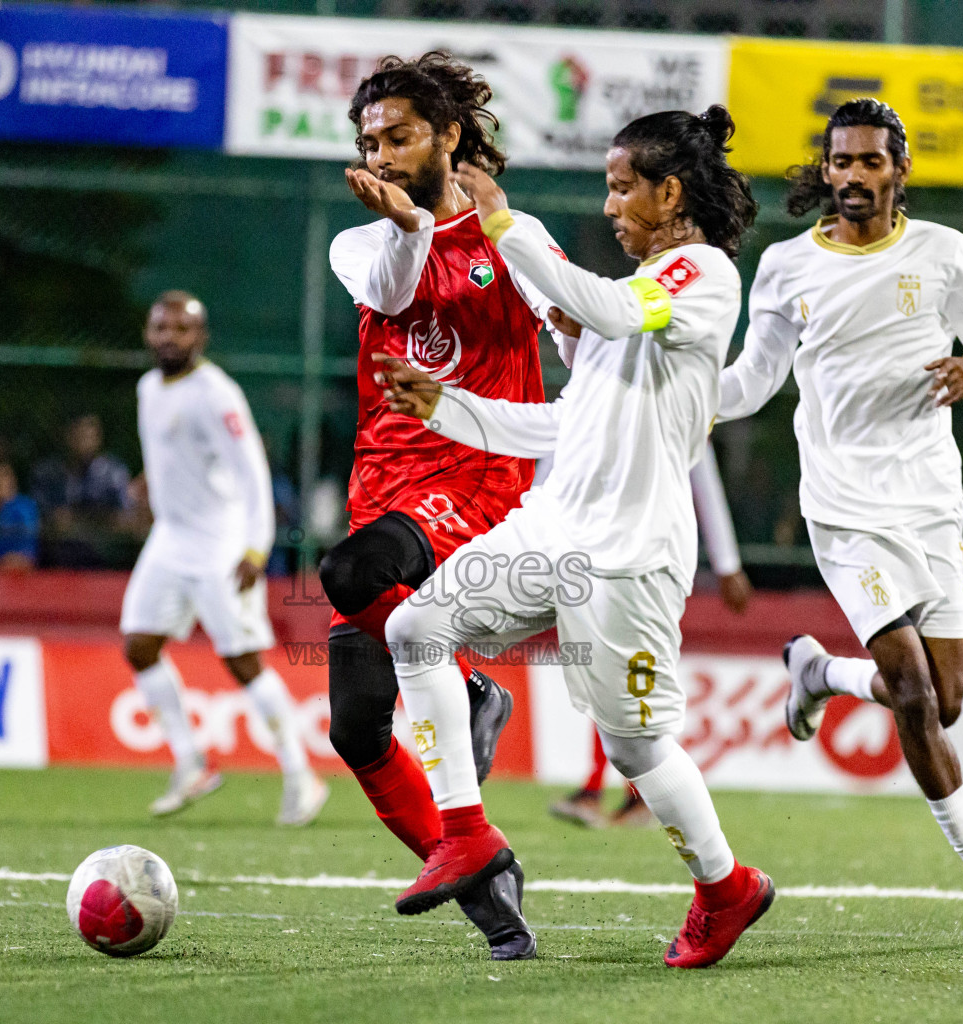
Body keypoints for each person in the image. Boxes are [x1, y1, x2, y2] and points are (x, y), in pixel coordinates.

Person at [377, 106, 773, 969]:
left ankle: (725, 886)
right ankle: (466, 831)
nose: (611, 204)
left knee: (634, 745)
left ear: (672, 193)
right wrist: (447, 406)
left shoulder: (699, 276)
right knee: (414, 629)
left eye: (623, 187)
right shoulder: (621, 307)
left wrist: (503, 224)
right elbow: (560, 428)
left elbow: (608, 307)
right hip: (553, 531)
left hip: (630, 555)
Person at [716, 98, 963, 944]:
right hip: (842, 507)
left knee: (946, 702)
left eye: (869, 162)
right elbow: (753, 381)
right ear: (825, 171)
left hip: (931, 505)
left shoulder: (946, 255)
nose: (854, 176)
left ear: (899, 170)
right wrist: (686, 398)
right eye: (841, 162)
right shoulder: (788, 267)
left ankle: (819, 675)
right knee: (911, 689)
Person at [320, 52, 572, 960]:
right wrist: (408, 224)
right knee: (356, 724)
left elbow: (575, 328)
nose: (380, 153)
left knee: (350, 573)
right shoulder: (362, 241)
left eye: (399, 136)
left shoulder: (513, 233)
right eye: (369, 140)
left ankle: (466, 688)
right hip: (384, 483)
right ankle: (488, 893)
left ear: (451, 135)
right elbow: (391, 290)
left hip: (478, 481)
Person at [120, 290, 327, 827]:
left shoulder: (217, 393)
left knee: (241, 661)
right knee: (139, 645)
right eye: (161, 327)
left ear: (201, 337)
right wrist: (154, 482)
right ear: (148, 333)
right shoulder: (148, 388)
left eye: (181, 329)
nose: (169, 336)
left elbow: (251, 469)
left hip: (220, 543)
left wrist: (257, 545)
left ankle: (301, 775)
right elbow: (176, 454)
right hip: (171, 538)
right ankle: (191, 762)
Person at [551, 453, 751, 829]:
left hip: (650, 564)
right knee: (612, 675)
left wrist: (727, 563)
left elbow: (703, 478)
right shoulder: (617, 404)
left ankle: (628, 793)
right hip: (608, 556)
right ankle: (622, 793)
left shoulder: (678, 404)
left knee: (628, 675)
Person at [32, 414, 133, 568]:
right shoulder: (48, 473)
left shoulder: (114, 472)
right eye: (78, 436)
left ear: (99, 438)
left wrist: (82, 519)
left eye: (89, 436)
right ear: (68, 437)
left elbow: (122, 518)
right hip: (61, 553)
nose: (84, 442)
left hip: (105, 551)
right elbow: (45, 517)